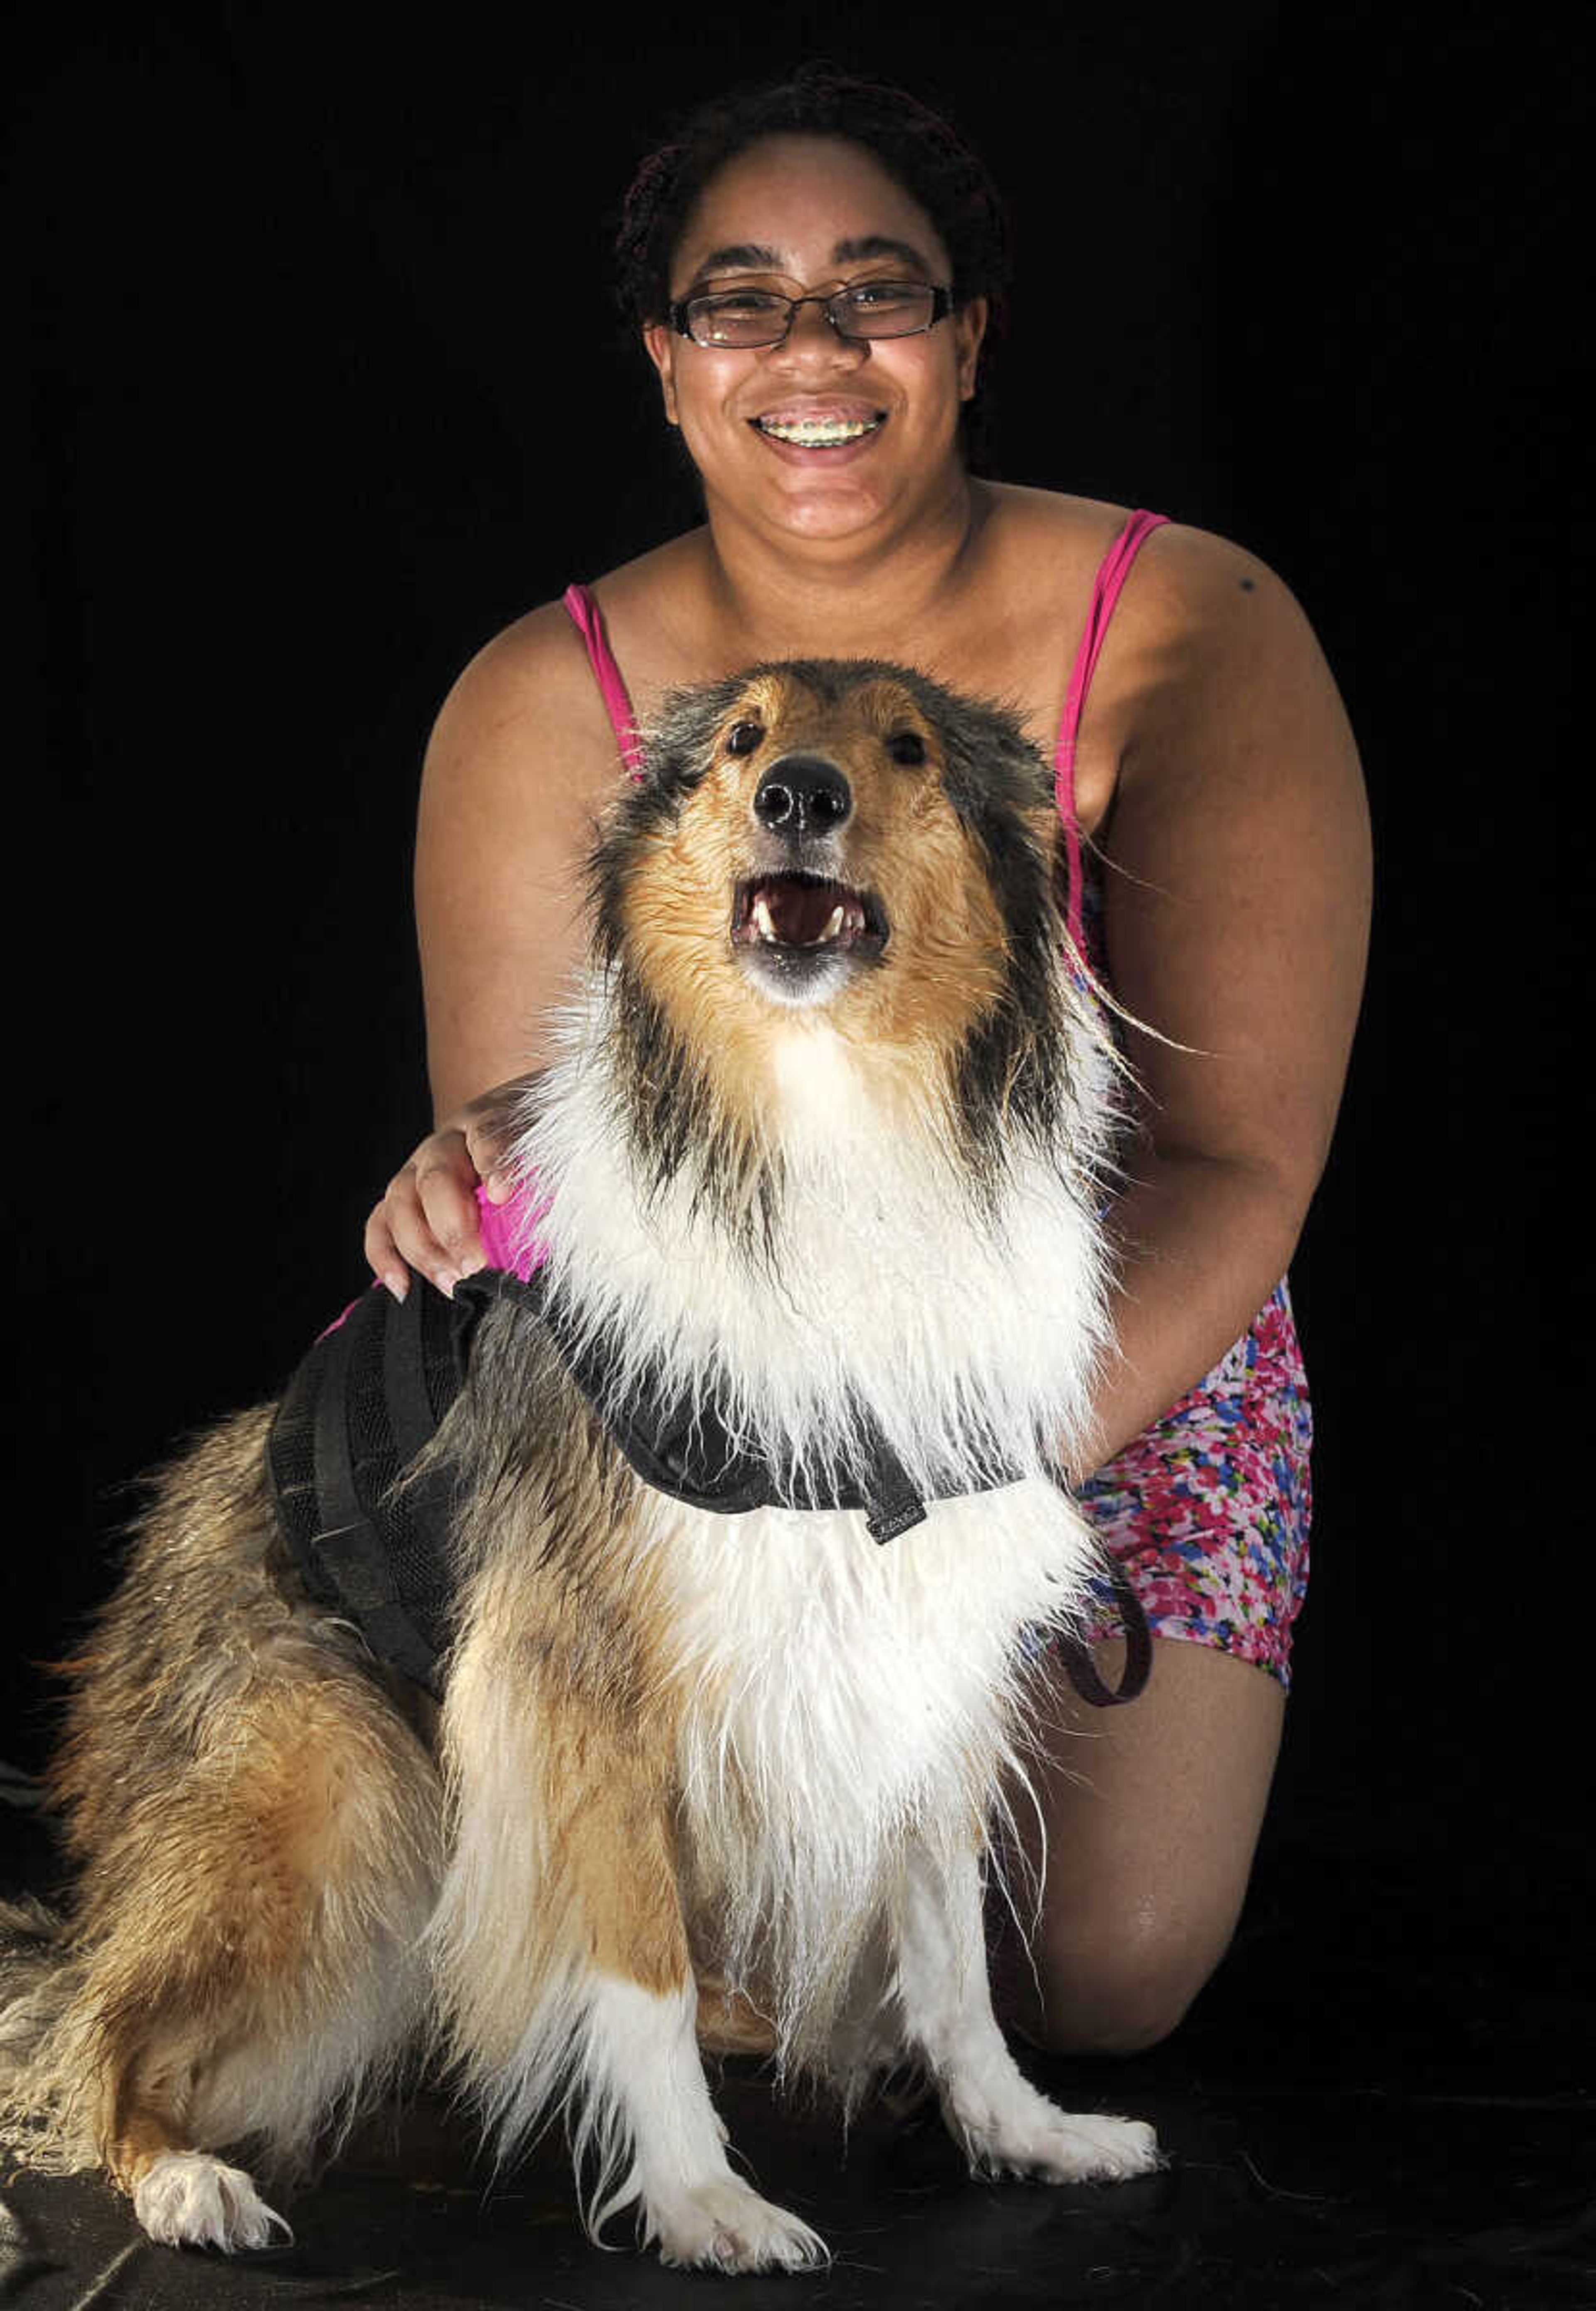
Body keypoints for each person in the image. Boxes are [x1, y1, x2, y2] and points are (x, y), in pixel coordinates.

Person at [362, 65, 1371, 2057]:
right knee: (703, 1920)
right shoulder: (535, 691)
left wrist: (952, 1495)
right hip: (704, 1398)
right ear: (668, 364)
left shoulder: (1192, 621)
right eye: (739, 299)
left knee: (1097, 1958)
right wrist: (470, 1167)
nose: (809, 349)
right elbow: (545, 1203)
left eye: (875, 291)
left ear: (968, 338)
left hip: (1081, 1341)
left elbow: (1240, 1161)